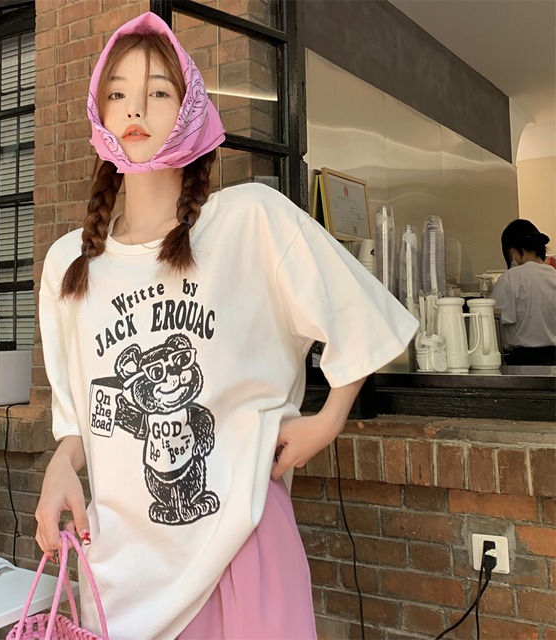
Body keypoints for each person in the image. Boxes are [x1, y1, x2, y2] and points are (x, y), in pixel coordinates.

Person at [35, 12, 418, 639]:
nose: (136, 108)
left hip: (242, 545)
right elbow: (82, 416)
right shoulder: (67, 265)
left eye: (159, 92)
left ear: (189, 110)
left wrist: (328, 420)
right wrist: (60, 466)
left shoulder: (249, 221)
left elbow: (359, 310)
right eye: (118, 93)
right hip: (123, 568)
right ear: (99, 114)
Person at [491, 219, 556, 366]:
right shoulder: (554, 275)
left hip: (523, 362)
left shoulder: (511, 277)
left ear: (512, 252)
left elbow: (494, 324)